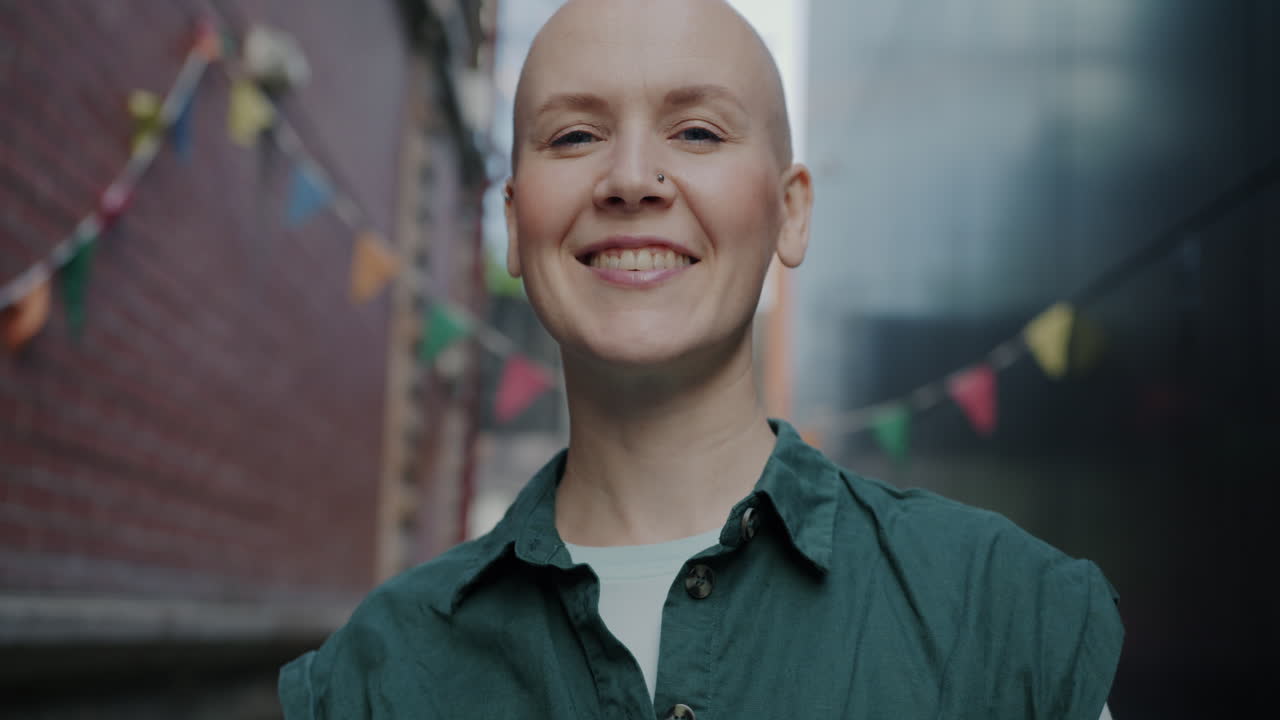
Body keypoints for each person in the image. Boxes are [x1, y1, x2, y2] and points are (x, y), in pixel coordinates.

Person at [278, 1, 1123, 717]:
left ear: (791, 212)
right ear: (513, 220)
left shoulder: (1008, 616)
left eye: (697, 131)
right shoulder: (369, 680)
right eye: (574, 135)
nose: (633, 178)